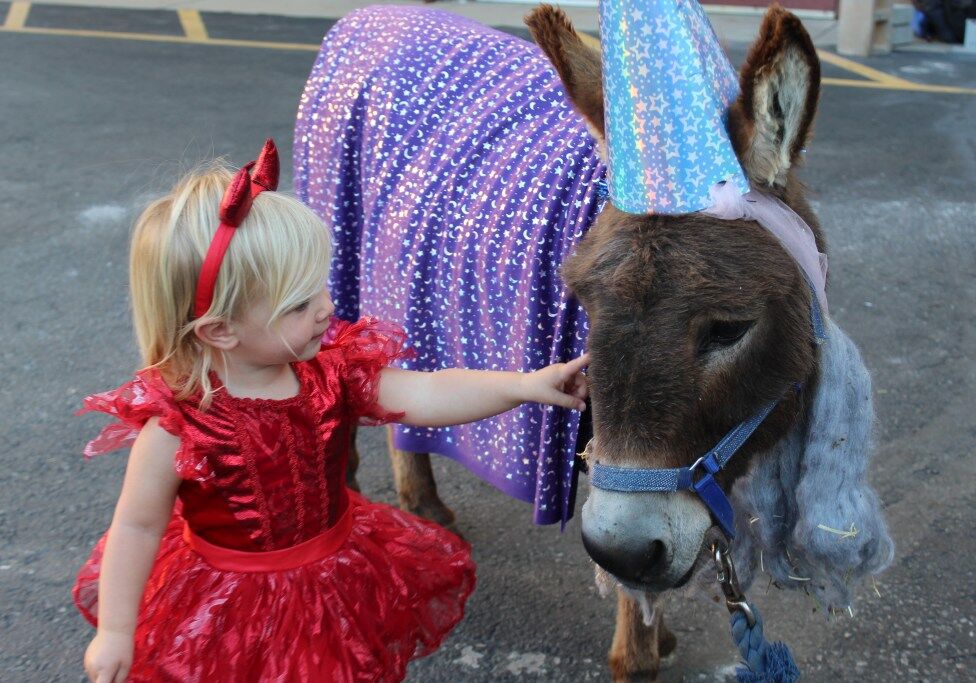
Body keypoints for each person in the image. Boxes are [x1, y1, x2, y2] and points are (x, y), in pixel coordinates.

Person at [73, 140, 589, 683]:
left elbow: (430, 393)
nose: (326, 307)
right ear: (220, 331)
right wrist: (114, 629)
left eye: (319, 286)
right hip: (229, 609)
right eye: (299, 304)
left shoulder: (330, 373)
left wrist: (525, 385)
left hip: (334, 578)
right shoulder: (179, 429)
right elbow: (136, 526)